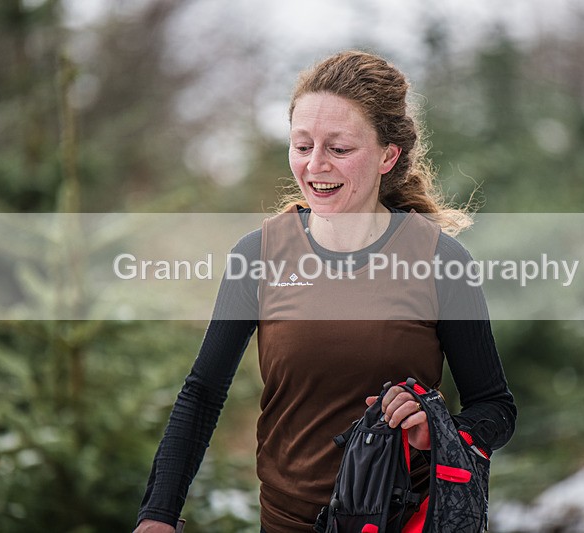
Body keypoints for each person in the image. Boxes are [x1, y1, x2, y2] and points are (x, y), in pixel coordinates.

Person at [134, 50, 516, 533]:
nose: (315, 165)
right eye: (302, 145)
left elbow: (495, 408)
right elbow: (202, 394)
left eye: (338, 148)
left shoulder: (439, 259)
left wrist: (435, 427)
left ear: (387, 156)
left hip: (401, 521)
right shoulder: (260, 254)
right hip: (286, 524)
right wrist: (158, 514)